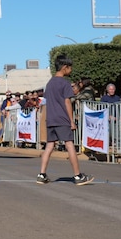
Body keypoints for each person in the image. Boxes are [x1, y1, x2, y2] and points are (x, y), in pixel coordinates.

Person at [36, 55, 94, 186]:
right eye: (70, 67)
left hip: (51, 118)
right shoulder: (65, 83)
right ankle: (78, 176)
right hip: (62, 119)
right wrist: (71, 121)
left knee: (49, 146)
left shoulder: (49, 83)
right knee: (69, 145)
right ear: (64, 67)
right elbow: (67, 102)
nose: (71, 70)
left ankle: (41, 174)